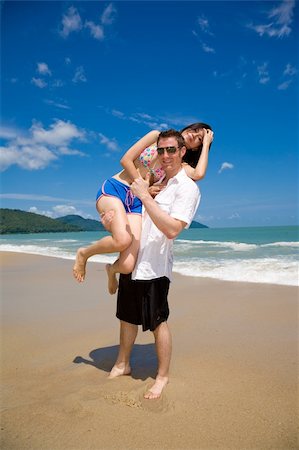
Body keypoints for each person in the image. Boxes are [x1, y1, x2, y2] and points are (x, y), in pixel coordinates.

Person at [107, 129, 201, 400]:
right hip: (135, 257)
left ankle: (162, 377)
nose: (165, 155)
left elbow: (172, 229)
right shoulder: (156, 183)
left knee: (158, 322)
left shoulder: (187, 188)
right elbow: (134, 215)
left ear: (182, 152)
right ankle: (123, 363)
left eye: (171, 149)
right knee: (127, 316)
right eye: (161, 150)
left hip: (156, 267)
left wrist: (145, 196)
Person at [72, 123, 213, 292]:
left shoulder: (180, 165)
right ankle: (84, 253)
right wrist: (142, 185)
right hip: (117, 188)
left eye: (199, 139)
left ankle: (111, 270)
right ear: (187, 127)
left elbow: (198, 174)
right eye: (194, 131)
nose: (194, 136)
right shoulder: (156, 136)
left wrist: (206, 144)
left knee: (127, 265)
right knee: (122, 239)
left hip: (137, 201)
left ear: (193, 148)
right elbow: (125, 159)